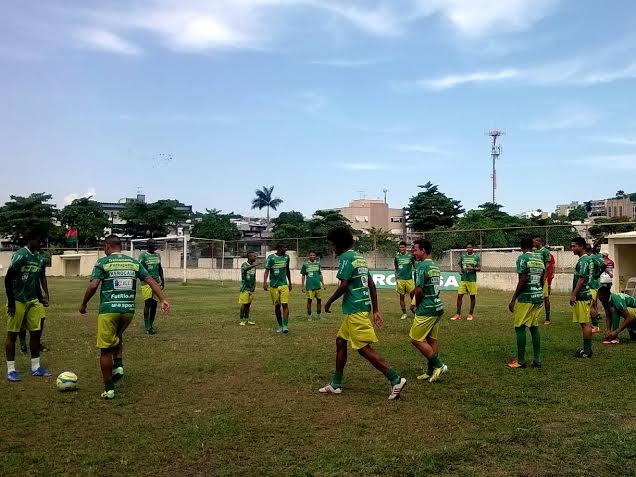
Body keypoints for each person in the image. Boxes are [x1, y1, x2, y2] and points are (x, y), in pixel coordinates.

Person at [318, 227, 406, 400]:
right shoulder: (359, 258)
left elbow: (343, 285)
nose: (332, 249)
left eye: (333, 244)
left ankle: (395, 379)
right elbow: (371, 285)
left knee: (363, 349)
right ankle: (336, 384)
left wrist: (328, 301)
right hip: (361, 307)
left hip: (355, 309)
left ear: (340, 244)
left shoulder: (346, 257)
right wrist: (376, 310)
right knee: (340, 341)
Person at [79, 235, 169, 400]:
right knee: (117, 335)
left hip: (109, 310)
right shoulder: (133, 262)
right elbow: (150, 280)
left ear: (107, 246)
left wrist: (84, 304)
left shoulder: (103, 262)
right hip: (128, 310)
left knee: (105, 350)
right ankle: (118, 367)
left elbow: (93, 285)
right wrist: (163, 299)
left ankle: (109, 390)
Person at [4, 234, 51, 381]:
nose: (41, 243)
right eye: (39, 240)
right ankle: (11, 370)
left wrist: (42, 297)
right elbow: (8, 278)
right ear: (31, 240)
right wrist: (11, 302)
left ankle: (35, 368)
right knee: (12, 334)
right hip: (17, 300)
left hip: (33, 300)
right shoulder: (21, 255)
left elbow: (37, 278)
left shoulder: (39, 258)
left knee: (36, 333)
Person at [410, 239, 447, 383]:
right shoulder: (434, 266)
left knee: (416, 339)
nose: (413, 252)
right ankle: (431, 371)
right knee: (431, 339)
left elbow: (419, 291)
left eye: (415, 249)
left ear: (423, 251)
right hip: (437, 307)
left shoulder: (421, 266)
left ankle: (439, 365)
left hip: (427, 308)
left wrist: (414, 305)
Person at [507, 238, 545, 369]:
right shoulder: (539, 258)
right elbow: (542, 278)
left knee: (520, 327)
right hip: (538, 296)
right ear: (532, 246)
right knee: (534, 327)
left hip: (526, 298)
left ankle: (521, 361)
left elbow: (522, 280)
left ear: (521, 246)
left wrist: (513, 299)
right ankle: (536, 359)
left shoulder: (522, 258)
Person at [18, 251, 49, 353]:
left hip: (36, 295)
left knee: (41, 319)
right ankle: (23, 344)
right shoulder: (21, 256)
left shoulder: (41, 259)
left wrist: (46, 293)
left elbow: (42, 276)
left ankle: (36, 343)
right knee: (22, 321)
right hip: (22, 296)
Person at [570, 237, 593, 358]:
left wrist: (574, 294)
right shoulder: (587, 259)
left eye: (574, 246)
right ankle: (586, 348)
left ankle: (587, 350)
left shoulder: (583, 261)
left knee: (585, 323)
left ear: (581, 246)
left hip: (583, 296)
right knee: (583, 323)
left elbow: (582, 278)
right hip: (585, 294)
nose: (572, 248)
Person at [137, 239, 165, 335]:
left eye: (155, 243)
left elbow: (160, 268)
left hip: (156, 282)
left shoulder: (157, 255)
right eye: (153, 244)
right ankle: (147, 326)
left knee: (154, 305)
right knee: (148, 303)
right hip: (146, 283)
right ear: (148, 246)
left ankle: (151, 325)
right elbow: (139, 268)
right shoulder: (143, 255)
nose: (155, 245)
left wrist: (163, 280)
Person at [263, 243, 292, 333]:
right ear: (279, 248)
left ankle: (285, 325)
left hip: (284, 285)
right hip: (274, 286)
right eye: (284, 247)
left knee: (285, 304)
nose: (286, 249)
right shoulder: (271, 258)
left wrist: (290, 282)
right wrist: (264, 282)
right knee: (277, 306)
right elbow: (267, 270)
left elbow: (287, 270)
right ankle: (280, 325)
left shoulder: (287, 257)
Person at [451, 243, 480, 321]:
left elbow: (479, 268)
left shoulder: (476, 257)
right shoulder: (463, 256)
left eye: (470, 247)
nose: (469, 249)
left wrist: (473, 268)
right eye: (467, 247)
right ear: (466, 248)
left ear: (472, 248)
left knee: (472, 297)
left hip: (472, 280)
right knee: (459, 296)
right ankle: (458, 314)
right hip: (463, 279)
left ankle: (470, 314)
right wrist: (459, 270)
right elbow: (459, 266)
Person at [532, 235, 553, 326]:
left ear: (538, 242)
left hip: (543, 278)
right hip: (535, 278)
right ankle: (534, 316)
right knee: (534, 297)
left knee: (545, 298)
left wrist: (544, 277)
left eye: (534, 242)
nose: (533, 243)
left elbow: (547, 265)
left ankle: (548, 318)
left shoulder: (545, 251)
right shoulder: (535, 251)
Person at [301, 250, 326, 320]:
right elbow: (303, 275)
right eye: (311, 255)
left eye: (313, 255)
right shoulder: (305, 264)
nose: (312, 256)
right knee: (309, 301)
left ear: (315, 256)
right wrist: (302, 286)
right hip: (309, 287)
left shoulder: (318, 264)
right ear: (308, 256)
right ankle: (309, 316)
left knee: (319, 300)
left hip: (318, 286)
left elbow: (320, 274)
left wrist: (323, 284)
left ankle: (319, 315)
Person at [587, 242, 606, 334]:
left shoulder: (593, 257)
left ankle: (595, 326)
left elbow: (603, 265)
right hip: (592, 284)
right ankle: (594, 324)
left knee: (591, 306)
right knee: (593, 305)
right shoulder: (591, 257)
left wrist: (597, 274)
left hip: (592, 284)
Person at [394, 241, 416, 320]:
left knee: (413, 297)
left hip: (409, 280)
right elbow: (396, 268)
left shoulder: (410, 256)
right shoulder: (397, 257)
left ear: (406, 248)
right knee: (401, 297)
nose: (401, 249)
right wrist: (396, 278)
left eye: (403, 247)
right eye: (400, 247)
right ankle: (404, 313)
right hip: (401, 280)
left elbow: (415, 266)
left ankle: (415, 311)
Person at [238, 251, 259, 326]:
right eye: (254, 256)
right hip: (245, 288)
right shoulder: (244, 264)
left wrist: (254, 286)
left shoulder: (253, 267)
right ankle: (241, 320)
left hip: (251, 288)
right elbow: (245, 269)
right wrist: (254, 265)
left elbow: (254, 277)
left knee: (248, 305)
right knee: (244, 304)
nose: (255, 258)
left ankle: (247, 319)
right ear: (249, 257)